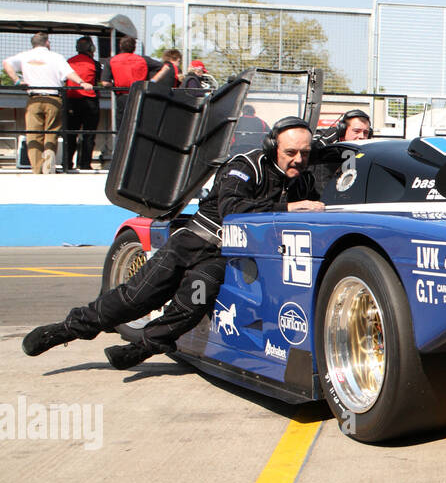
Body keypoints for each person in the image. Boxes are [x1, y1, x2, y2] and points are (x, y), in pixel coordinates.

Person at [22, 117, 324, 370]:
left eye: (305, 153)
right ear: (273, 147)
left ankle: (143, 348)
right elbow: (232, 212)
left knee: (191, 303)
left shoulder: (300, 179)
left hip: (222, 257)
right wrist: (289, 208)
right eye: (291, 152)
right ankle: (64, 330)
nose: (298, 159)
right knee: (135, 299)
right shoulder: (245, 167)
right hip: (191, 243)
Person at [3, 32, 96, 174]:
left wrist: (17, 80)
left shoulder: (24, 56)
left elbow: (6, 63)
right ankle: (48, 167)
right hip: (53, 99)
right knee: (51, 133)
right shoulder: (56, 57)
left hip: (34, 98)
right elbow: (68, 73)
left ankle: (36, 169)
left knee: (34, 135)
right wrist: (82, 82)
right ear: (47, 43)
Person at [106, 37, 155, 162]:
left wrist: (114, 86)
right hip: (139, 95)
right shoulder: (143, 60)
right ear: (134, 47)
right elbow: (164, 67)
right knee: (139, 125)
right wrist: (150, 81)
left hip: (122, 96)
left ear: (120, 46)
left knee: (121, 127)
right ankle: (138, 156)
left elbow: (105, 82)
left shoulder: (112, 60)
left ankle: (120, 157)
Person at [62, 36, 103, 172]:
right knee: (89, 134)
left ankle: (67, 163)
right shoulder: (95, 64)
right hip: (89, 102)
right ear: (91, 48)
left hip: (71, 101)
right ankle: (85, 164)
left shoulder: (69, 62)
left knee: (70, 134)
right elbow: (99, 81)